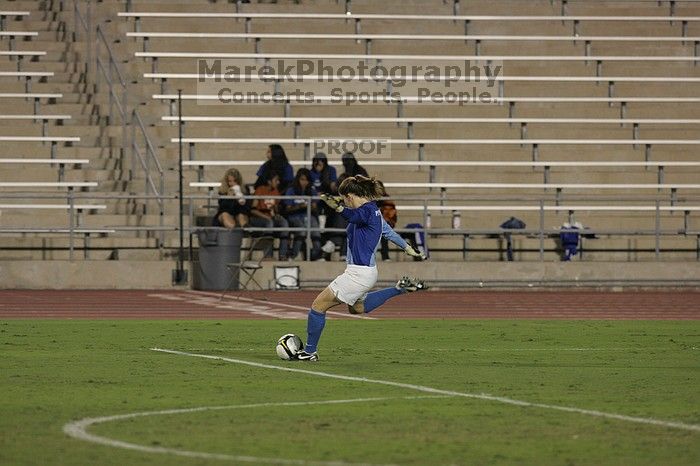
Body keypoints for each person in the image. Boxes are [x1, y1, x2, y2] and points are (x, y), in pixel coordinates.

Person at [295, 175, 428, 362]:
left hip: (358, 273)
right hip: (366, 272)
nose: (343, 202)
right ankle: (401, 288)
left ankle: (309, 352)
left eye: (344, 199)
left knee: (318, 306)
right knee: (357, 308)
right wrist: (408, 248)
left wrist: (338, 208)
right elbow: (388, 232)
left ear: (350, 196)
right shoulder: (374, 212)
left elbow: (352, 215)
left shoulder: (366, 210)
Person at [283, 168, 322, 261]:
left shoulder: (311, 190)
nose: (304, 182)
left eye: (307, 180)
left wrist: (311, 206)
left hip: (308, 215)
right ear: (298, 179)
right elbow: (288, 209)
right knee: (301, 231)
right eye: (302, 179)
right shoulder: (291, 190)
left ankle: (316, 255)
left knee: (316, 230)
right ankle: (293, 255)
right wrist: (300, 206)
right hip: (294, 216)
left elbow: (315, 207)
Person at [249, 173, 289, 260]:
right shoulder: (260, 190)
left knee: (284, 223)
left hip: (270, 217)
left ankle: (282, 255)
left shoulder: (276, 192)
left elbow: (275, 209)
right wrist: (266, 217)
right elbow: (253, 210)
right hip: (258, 218)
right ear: (269, 182)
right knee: (269, 223)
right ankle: (268, 255)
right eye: (276, 180)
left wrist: (277, 215)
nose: (278, 182)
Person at [376, 181, 397, 261]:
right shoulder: (369, 199)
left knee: (383, 228)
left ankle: (385, 255)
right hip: (371, 223)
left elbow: (390, 214)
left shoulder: (387, 199)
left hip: (385, 222)